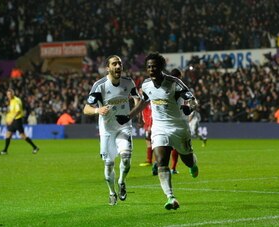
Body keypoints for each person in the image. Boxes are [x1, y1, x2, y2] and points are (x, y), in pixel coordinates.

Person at [116, 52, 199, 210]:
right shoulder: (146, 85)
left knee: (187, 159)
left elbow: (192, 98)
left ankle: (193, 163)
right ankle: (170, 197)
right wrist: (128, 116)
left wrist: (190, 107)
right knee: (161, 161)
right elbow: (143, 102)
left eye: (154, 66)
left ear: (161, 67)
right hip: (159, 127)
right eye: (148, 67)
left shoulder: (174, 82)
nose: (151, 69)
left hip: (178, 127)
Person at [83, 55, 140, 205]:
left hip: (124, 127)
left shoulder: (128, 83)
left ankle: (122, 181)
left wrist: (133, 112)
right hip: (107, 130)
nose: (118, 66)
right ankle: (111, 191)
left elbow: (137, 99)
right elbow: (86, 108)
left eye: (120, 63)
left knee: (126, 159)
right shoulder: (100, 85)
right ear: (108, 68)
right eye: (114, 64)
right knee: (109, 164)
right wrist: (97, 110)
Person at [0, 89, 39, 155]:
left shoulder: (16, 101)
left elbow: (18, 111)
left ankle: (35, 147)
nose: (9, 96)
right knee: (8, 134)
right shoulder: (11, 101)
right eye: (8, 94)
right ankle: (5, 150)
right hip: (13, 120)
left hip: (17, 120)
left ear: (13, 93)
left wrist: (11, 119)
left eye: (10, 94)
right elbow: (12, 111)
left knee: (22, 136)